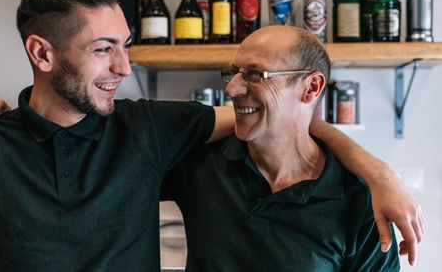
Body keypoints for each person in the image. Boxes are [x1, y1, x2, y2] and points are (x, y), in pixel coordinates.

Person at [0, 0, 423, 270]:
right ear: (42, 54)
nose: (124, 68)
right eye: (104, 48)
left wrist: (377, 173)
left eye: (125, 45)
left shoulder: (148, 130)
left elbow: (275, 119)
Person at [161, 26, 400, 270]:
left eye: (255, 74)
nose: (231, 89)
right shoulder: (200, 163)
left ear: (311, 88)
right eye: (233, 73)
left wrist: (379, 174)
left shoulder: (360, 204)